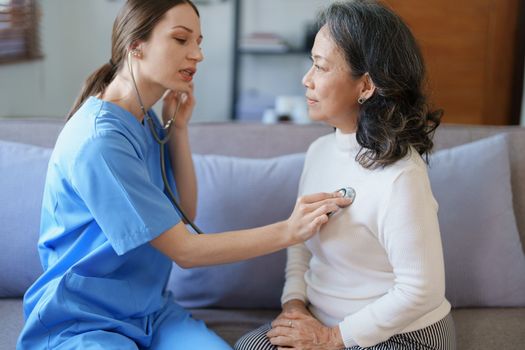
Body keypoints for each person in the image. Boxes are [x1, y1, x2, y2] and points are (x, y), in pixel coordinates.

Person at [16, 1, 353, 349]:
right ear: (136, 45)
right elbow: (186, 251)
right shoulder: (101, 139)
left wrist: (178, 128)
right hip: (83, 319)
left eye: (199, 42)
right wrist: (289, 230)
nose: (198, 55)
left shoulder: (143, 119)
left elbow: (185, 214)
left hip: (149, 312)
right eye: (181, 40)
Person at [234, 1, 456, 349]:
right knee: (251, 346)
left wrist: (332, 338)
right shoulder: (319, 152)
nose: (306, 79)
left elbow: (422, 290)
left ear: (365, 85)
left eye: (320, 67)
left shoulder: (401, 175)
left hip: (402, 333)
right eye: (312, 63)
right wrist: (295, 307)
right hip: (323, 320)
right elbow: (301, 244)